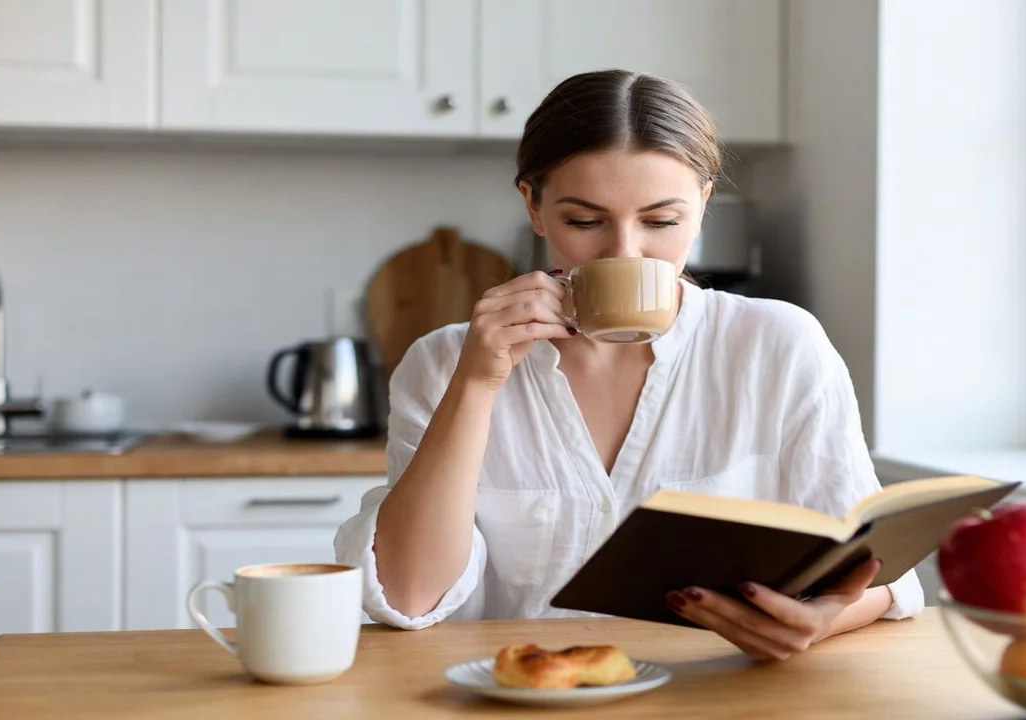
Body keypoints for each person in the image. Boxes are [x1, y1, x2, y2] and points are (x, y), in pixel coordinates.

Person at [335, 69, 924, 661]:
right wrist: (477, 383)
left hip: (711, 699)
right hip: (521, 696)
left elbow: (874, 569)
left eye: (661, 222)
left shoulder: (777, 345)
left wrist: (818, 619)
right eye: (584, 221)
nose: (624, 252)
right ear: (534, 207)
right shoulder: (443, 362)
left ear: (703, 204)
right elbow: (409, 595)